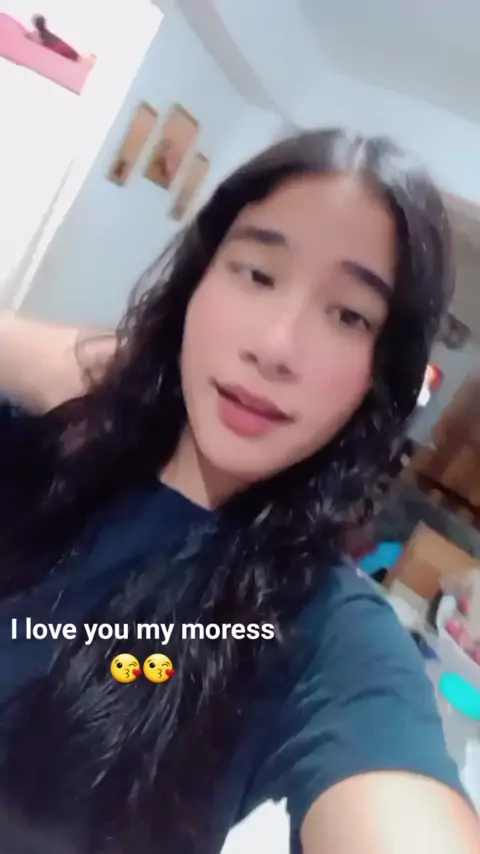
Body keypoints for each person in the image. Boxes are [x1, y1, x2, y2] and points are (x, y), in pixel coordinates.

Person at [0, 129, 478, 854]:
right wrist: (96, 371)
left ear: (379, 375)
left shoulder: (328, 633)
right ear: (197, 282)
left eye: (349, 315)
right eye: (257, 274)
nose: (276, 347)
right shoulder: (37, 449)